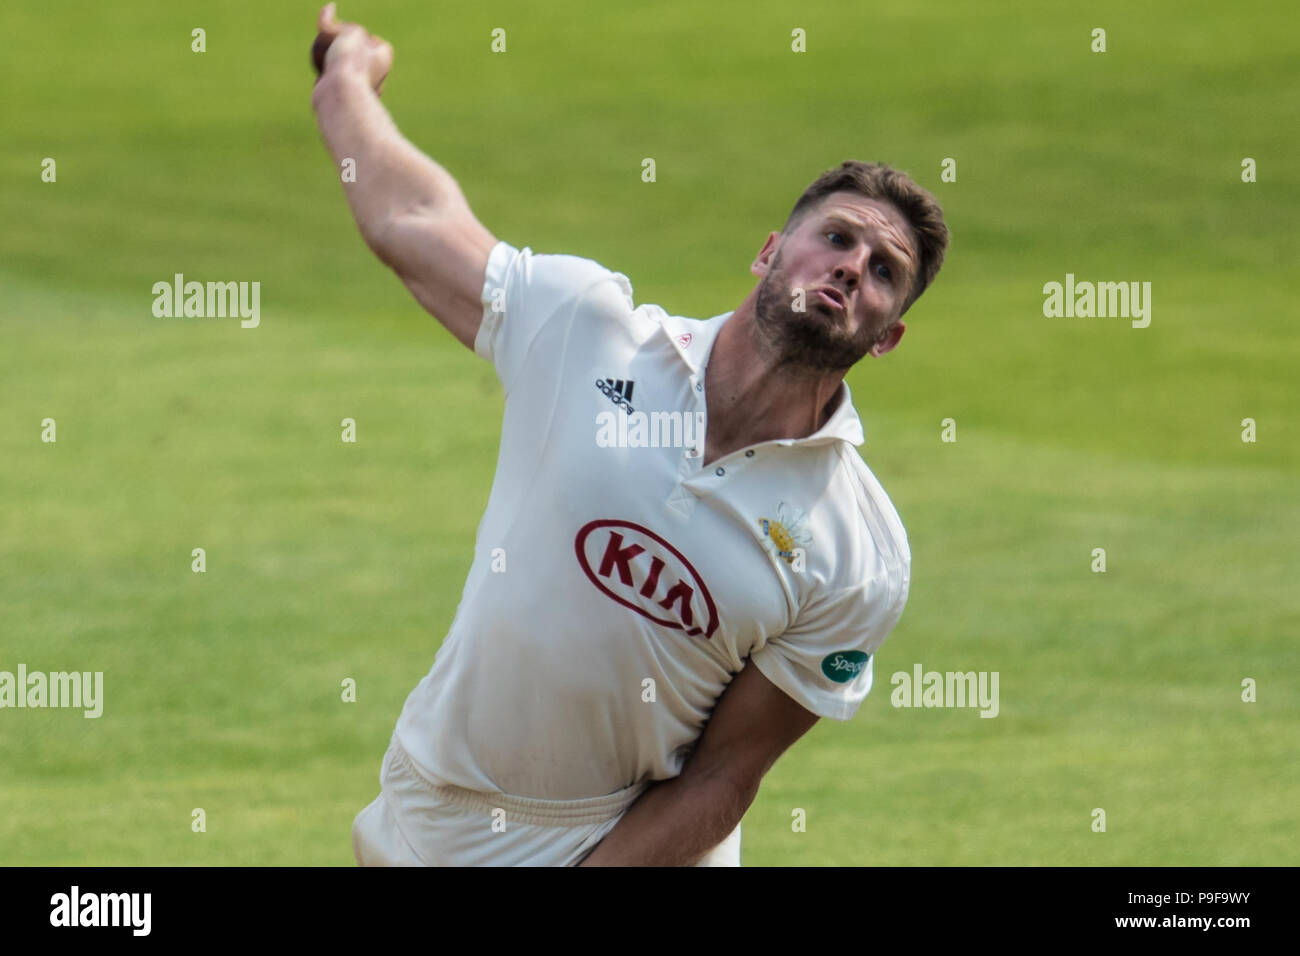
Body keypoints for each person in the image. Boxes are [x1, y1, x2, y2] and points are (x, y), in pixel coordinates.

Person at [310, 3, 950, 866]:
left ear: (888, 336)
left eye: (884, 274)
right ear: (769, 252)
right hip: (437, 806)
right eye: (835, 239)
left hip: (624, 843)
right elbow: (413, 222)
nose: (850, 269)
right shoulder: (589, 330)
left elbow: (726, 775)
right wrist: (346, 81)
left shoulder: (858, 554)